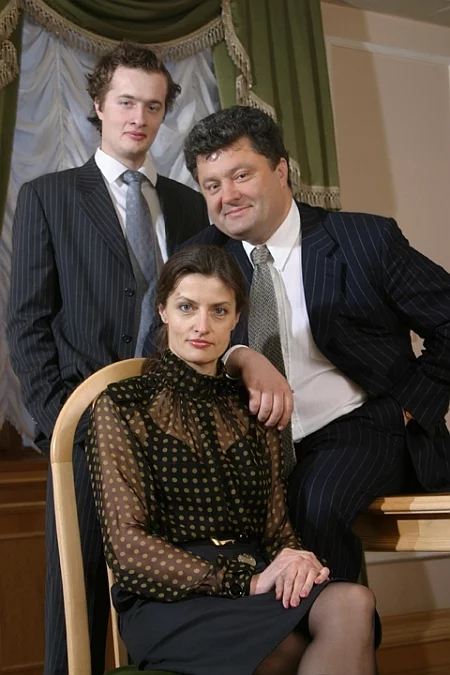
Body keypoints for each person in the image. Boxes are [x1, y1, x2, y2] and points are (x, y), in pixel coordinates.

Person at [7, 42, 210, 675]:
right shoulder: (48, 196)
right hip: (85, 427)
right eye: (126, 102)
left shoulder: (188, 205)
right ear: (98, 104)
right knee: (78, 594)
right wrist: (57, 423)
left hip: (175, 427)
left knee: (178, 589)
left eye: (153, 106)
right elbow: (27, 322)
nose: (138, 118)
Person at [182, 105, 450, 583]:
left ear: (281, 170)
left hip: (363, 425)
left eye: (241, 175)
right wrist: (237, 355)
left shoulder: (363, 239)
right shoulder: (200, 258)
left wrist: (409, 407)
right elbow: (168, 348)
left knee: (312, 504)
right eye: (212, 185)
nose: (228, 196)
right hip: (253, 446)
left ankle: (342, 626)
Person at [86, 244, 379, 675]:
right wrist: (247, 581)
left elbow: (276, 530)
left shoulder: (251, 406)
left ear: (236, 318)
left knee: (353, 601)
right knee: (298, 650)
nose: (201, 325)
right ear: (163, 310)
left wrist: (296, 560)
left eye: (219, 311)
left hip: (258, 578)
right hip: (171, 596)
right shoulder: (124, 405)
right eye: (187, 307)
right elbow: (128, 548)